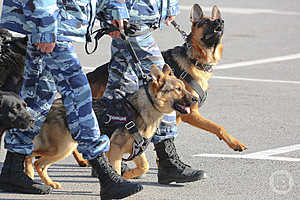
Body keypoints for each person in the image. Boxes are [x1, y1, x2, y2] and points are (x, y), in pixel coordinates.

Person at [0, 0, 143, 199]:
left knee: (38, 95)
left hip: (55, 22)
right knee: (79, 93)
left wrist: (114, 10)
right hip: (50, 23)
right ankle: (105, 175)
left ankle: (12, 169)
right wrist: (45, 27)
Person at [101, 0, 207, 184]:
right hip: (131, 18)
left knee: (120, 86)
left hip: (137, 16)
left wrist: (169, 5)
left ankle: (105, 160)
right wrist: (116, 9)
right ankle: (168, 161)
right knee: (165, 88)